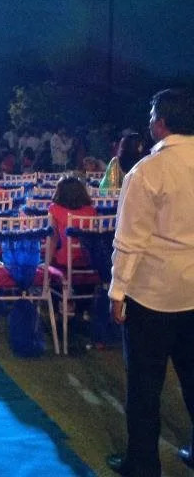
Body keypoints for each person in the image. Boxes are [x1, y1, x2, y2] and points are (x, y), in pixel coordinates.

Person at [106, 88, 194, 477]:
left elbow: (130, 241)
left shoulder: (147, 171)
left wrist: (117, 291)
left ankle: (143, 464)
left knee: (145, 385)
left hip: (153, 296)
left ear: (161, 123)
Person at [47, 176, 95, 267]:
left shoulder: (54, 209)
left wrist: (47, 262)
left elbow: (53, 237)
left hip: (66, 258)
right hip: (89, 258)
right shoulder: (91, 210)